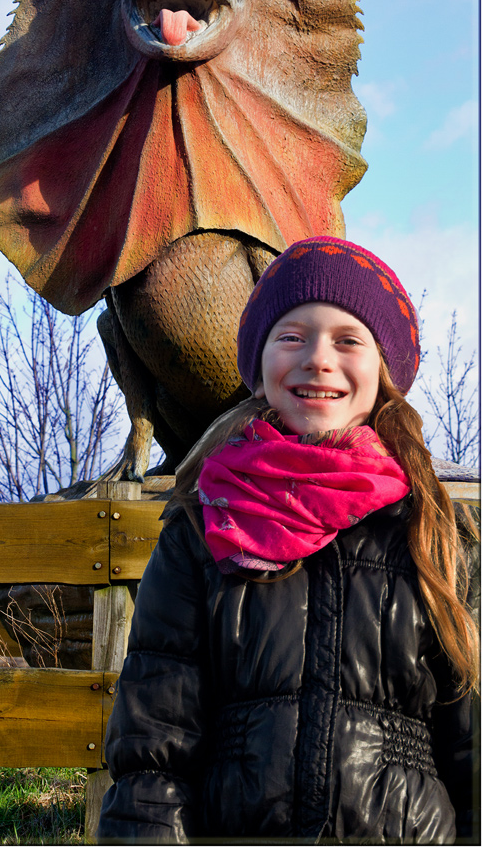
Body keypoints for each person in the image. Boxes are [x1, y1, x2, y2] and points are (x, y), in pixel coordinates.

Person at [97, 236, 479, 845]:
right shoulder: (202, 528)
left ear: (383, 370)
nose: (318, 360)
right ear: (260, 361)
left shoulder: (437, 535)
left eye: (347, 340)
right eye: (292, 336)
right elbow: (153, 756)